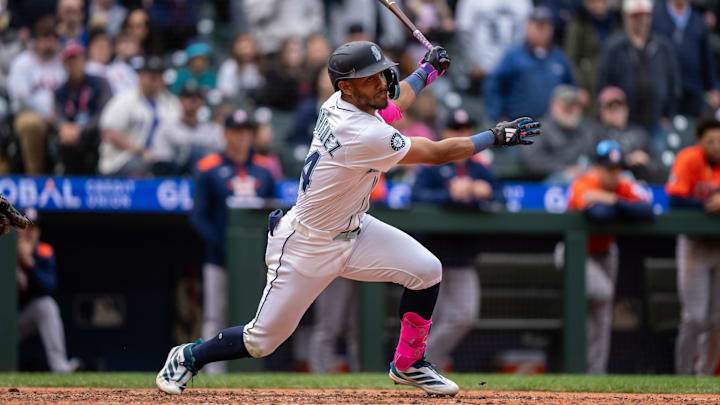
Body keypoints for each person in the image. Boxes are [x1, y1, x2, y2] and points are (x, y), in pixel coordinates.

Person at [155, 41, 540, 396]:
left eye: (379, 74)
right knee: (261, 341)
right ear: (346, 87)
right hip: (307, 244)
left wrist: (427, 72)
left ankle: (408, 363)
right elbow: (435, 152)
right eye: (367, 79)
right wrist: (495, 136)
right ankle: (188, 357)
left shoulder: (345, 104)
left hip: (355, 230)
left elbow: (395, 103)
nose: (380, 82)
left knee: (427, 270)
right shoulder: (359, 131)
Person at [412, 109, 504, 371]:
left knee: (463, 315)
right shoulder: (432, 166)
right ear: (445, 132)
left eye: (467, 129)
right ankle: (425, 368)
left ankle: (419, 363)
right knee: (430, 320)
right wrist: (448, 194)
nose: (463, 134)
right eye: (456, 129)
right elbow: (415, 199)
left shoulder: (480, 169)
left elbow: (502, 197)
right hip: (431, 257)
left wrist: (484, 193)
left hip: (464, 256)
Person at [190, 109, 275, 374]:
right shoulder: (208, 168)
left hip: (254, 259)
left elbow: (273, 215)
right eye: (236, 132)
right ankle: (210, 371)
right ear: (226, 133)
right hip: (219, 257)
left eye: (246, 132)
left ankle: (246, 373)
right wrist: (223, 246)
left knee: (252, 317)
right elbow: (198, 216)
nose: (242, 138)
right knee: (215, 315)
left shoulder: (264, 169)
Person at [562, 140, 654, 374]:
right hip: (574, 255)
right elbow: (598, 215)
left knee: (602, 318)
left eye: (618, 169)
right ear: (596, 167)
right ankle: (575, 368)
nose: (614, 175)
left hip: (605, 254)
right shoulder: (585, 183)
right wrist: (619, 205)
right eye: (608, 169)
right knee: (603, 294)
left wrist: (612, 199)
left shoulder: (620, 187)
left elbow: (648, 211)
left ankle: (595, 374)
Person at [666, 117, 720, 375]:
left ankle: (705, 379)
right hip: (694, 245)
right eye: (711, 141)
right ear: (700, 141)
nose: (717, 146)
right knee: (695, 318)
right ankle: (683, 376)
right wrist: (706, 205)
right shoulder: (689, 158)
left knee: (718, 321)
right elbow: (674, 199)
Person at [597, 0, 681, 149]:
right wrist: (611, 111)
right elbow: (603, 83)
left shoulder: (662, 46)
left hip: (656, 120)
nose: (641, 20)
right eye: (635, 16)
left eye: (644, 15)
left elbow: (673, 83)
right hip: (624, 123)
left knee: (655, 164)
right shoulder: (614, 47)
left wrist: (667, 114)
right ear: (626, 17)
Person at [484, 6, 575, 122]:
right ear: (527, 27)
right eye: (537, 26)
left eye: (546, 26)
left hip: (553, 129)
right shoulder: (513, 55)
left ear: (552, 29)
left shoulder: (559, 58)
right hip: (519, 127)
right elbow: (493, 86)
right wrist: (498, 116)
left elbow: (570, 88)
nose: (541, 31)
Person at [16, 209, 80, 373]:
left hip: (19, 321)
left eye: (34, 228)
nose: (30, 233)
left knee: (46, 306)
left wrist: (29, 263)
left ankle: (59, 366)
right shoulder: (5, 250)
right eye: (26, 227)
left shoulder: (43, 252)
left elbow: (48, 287)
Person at [98, 55, 180, 176]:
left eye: (158, 77)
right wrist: (140, 150)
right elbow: (108, 133)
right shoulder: (124, 100)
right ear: (140, 77)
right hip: (122, 159)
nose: (154, 81)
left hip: (161, 158)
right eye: (151, 77)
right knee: (141, 167)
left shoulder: (171, 102)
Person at [7, 15, 66, 174]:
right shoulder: (23, 62)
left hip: (61, 116)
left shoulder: (64, 61)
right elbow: (21, 98)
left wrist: (60, 116)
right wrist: (49, 114)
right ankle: (36, 179)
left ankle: (73, 180)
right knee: (29, 124)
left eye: (53, 38)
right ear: (36, 40)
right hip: (31, 115)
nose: (49, 43)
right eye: (45, 38)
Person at [652, 0, 720, 119]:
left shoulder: (698, 20)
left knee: (691, 130)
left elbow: (706, 58)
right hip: (665, 89)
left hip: (692, 88)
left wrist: (712, 87)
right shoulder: (656, 17)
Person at [54, 42, 112, 174]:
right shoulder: (60, 91)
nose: (74, 65)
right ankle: (70, 183)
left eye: (77, 60)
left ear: (84, 61)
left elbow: (105, 112)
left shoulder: (100, 83)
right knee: (64, 142)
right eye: (70, 61)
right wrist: (63, 126)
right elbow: (58, 115)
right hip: (71, 135)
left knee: (104, 136)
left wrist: (81, 129)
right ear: (64, 65)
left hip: (95, 131)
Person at [521, 85, 594, 183]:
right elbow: (532, 161)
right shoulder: (538, 129)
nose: (571, 109)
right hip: (548, 183)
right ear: (552, 105)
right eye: (566, 105)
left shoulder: (585, 130)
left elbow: (594, 157)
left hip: (583, 178)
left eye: (574, 105)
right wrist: (564, 169)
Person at [455, 0, 532, 90]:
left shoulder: (524, 2)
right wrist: (472, 63)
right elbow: (463, 32)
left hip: (514, 73)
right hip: (481, 72)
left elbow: (529, 35)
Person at [150, 81, 223, 176]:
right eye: (188, 97)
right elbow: (161, 164)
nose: (192, 102)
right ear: (180, 100)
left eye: (196, 98)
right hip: (178, 181)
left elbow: (222, 162)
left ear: (202, 103)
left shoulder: (213, 130)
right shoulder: (166, 128)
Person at [591, 86, 663, 183]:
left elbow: (657, 163)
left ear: (626, 109)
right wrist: (627, 160)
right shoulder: (595, 132)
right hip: (610, 182)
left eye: (619, 106)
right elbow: (593, 162)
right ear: (602, 111)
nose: (616, 111)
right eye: (610, 107)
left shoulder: (639, 132)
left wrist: (647, 161)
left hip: (639, 181)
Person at [564, 0, 619, 110]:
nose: (599, 4)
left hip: (612, 80)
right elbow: (570, 59)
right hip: (588, 84)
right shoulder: (578, 24)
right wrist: (578, 87)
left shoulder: (615, 22)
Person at [216, 34, 264, 103]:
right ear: (235, 49)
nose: (245, 51)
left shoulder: (260, 66)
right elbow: (224, 90)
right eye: (242, 48)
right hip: (233, 102)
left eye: (248, 47)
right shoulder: (229, 66)